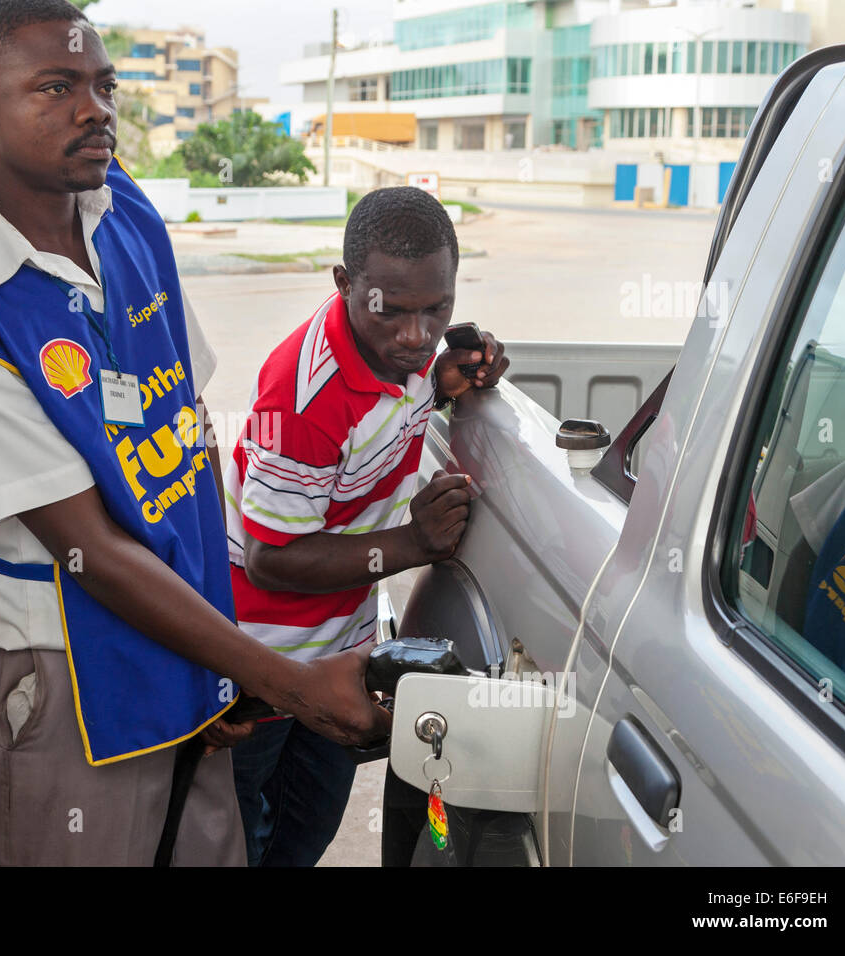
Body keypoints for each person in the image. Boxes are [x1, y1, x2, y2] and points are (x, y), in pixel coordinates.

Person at [0, 0, 389, 867]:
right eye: (56, 87)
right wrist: (283, 680)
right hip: (62, 676)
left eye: (104, 86)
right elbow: (90, 551)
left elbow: (189, 449)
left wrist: (219, 664)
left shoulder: (129, 220)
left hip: (182, 632)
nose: (95, 110)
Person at [225, 187, 509, 867]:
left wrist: (450, 379)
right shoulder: (304, 393)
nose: (415, 334)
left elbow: (398, 402)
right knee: (238, 842)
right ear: (346, 285)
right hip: (259, 663)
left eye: (436, 309)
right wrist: (413, 544)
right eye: (392, 310)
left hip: (342, 650)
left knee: (307, 831)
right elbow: (270, 558)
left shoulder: (408, 359)